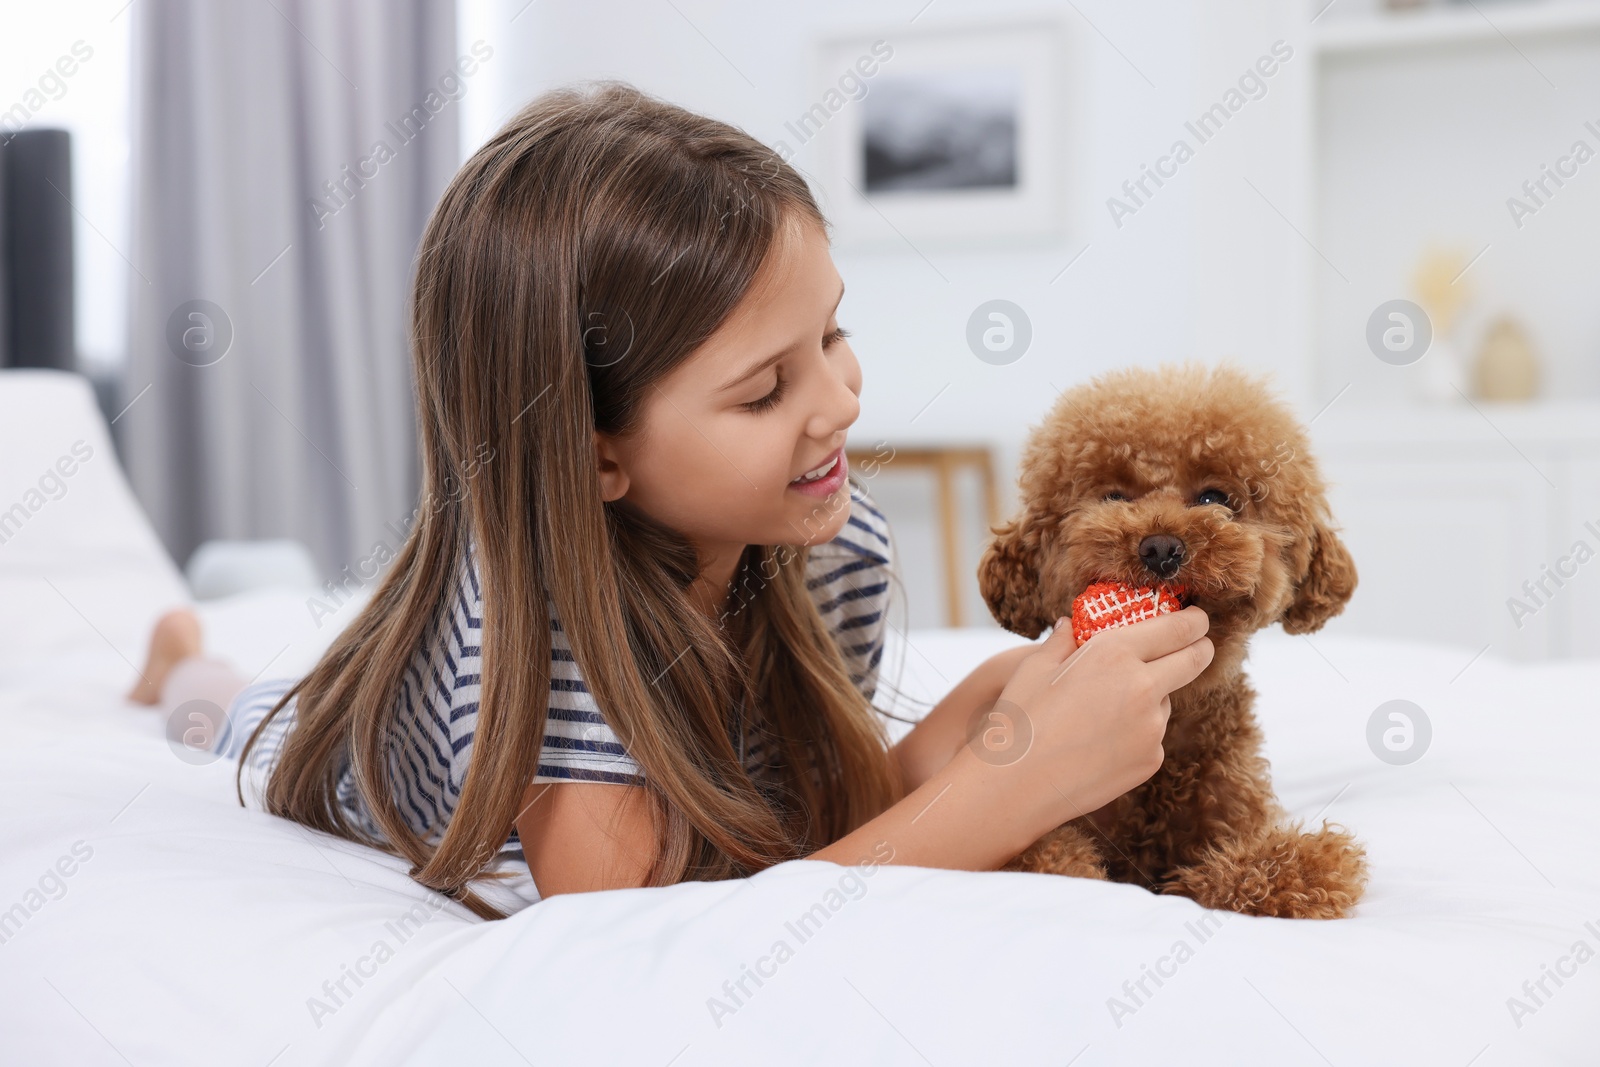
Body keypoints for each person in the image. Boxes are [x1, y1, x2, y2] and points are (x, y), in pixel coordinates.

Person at [130, 81, 1213, 920]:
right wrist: (1012, 788)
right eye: (763, 391)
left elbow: (823, 819)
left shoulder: (833, 545)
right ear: (597, 453)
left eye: (832, 332)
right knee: (231, 705)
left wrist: (995, 708)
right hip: (353, 737)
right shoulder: (555, 636)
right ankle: (179, 654)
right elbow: (637, 935)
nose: (839, 400)